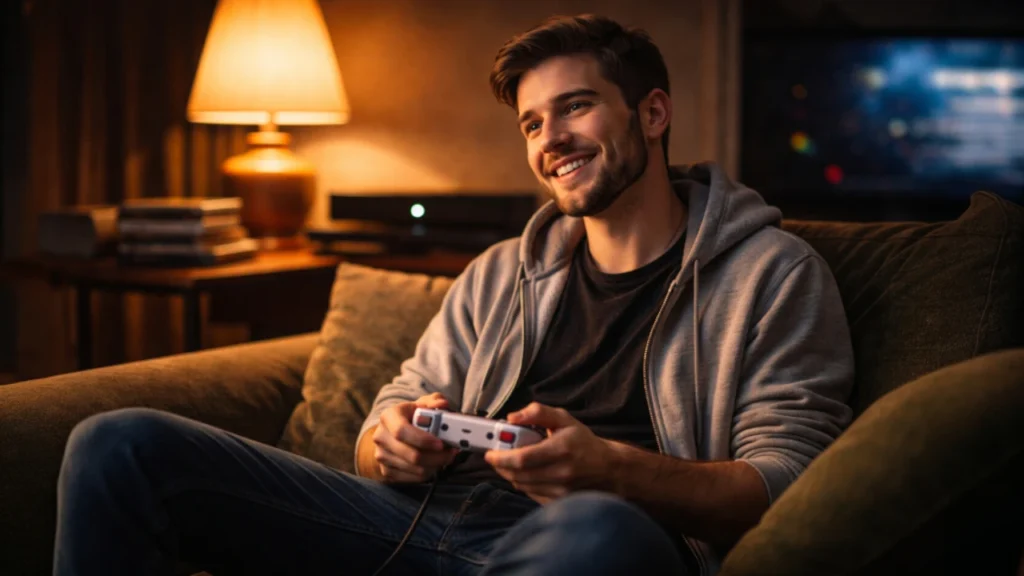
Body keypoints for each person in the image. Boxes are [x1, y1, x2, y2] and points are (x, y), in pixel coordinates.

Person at [53, 13, 854, 576]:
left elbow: (789, 487)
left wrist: (612, 471)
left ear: (652, 113)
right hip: (417, 527)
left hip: (598, 541)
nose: (551, 140)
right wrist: (388, 442)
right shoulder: (503, 269)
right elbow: (389, 413)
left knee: (598, 528)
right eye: (532, 124)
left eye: (575, 106)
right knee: (117, 443)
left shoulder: (772, 274)